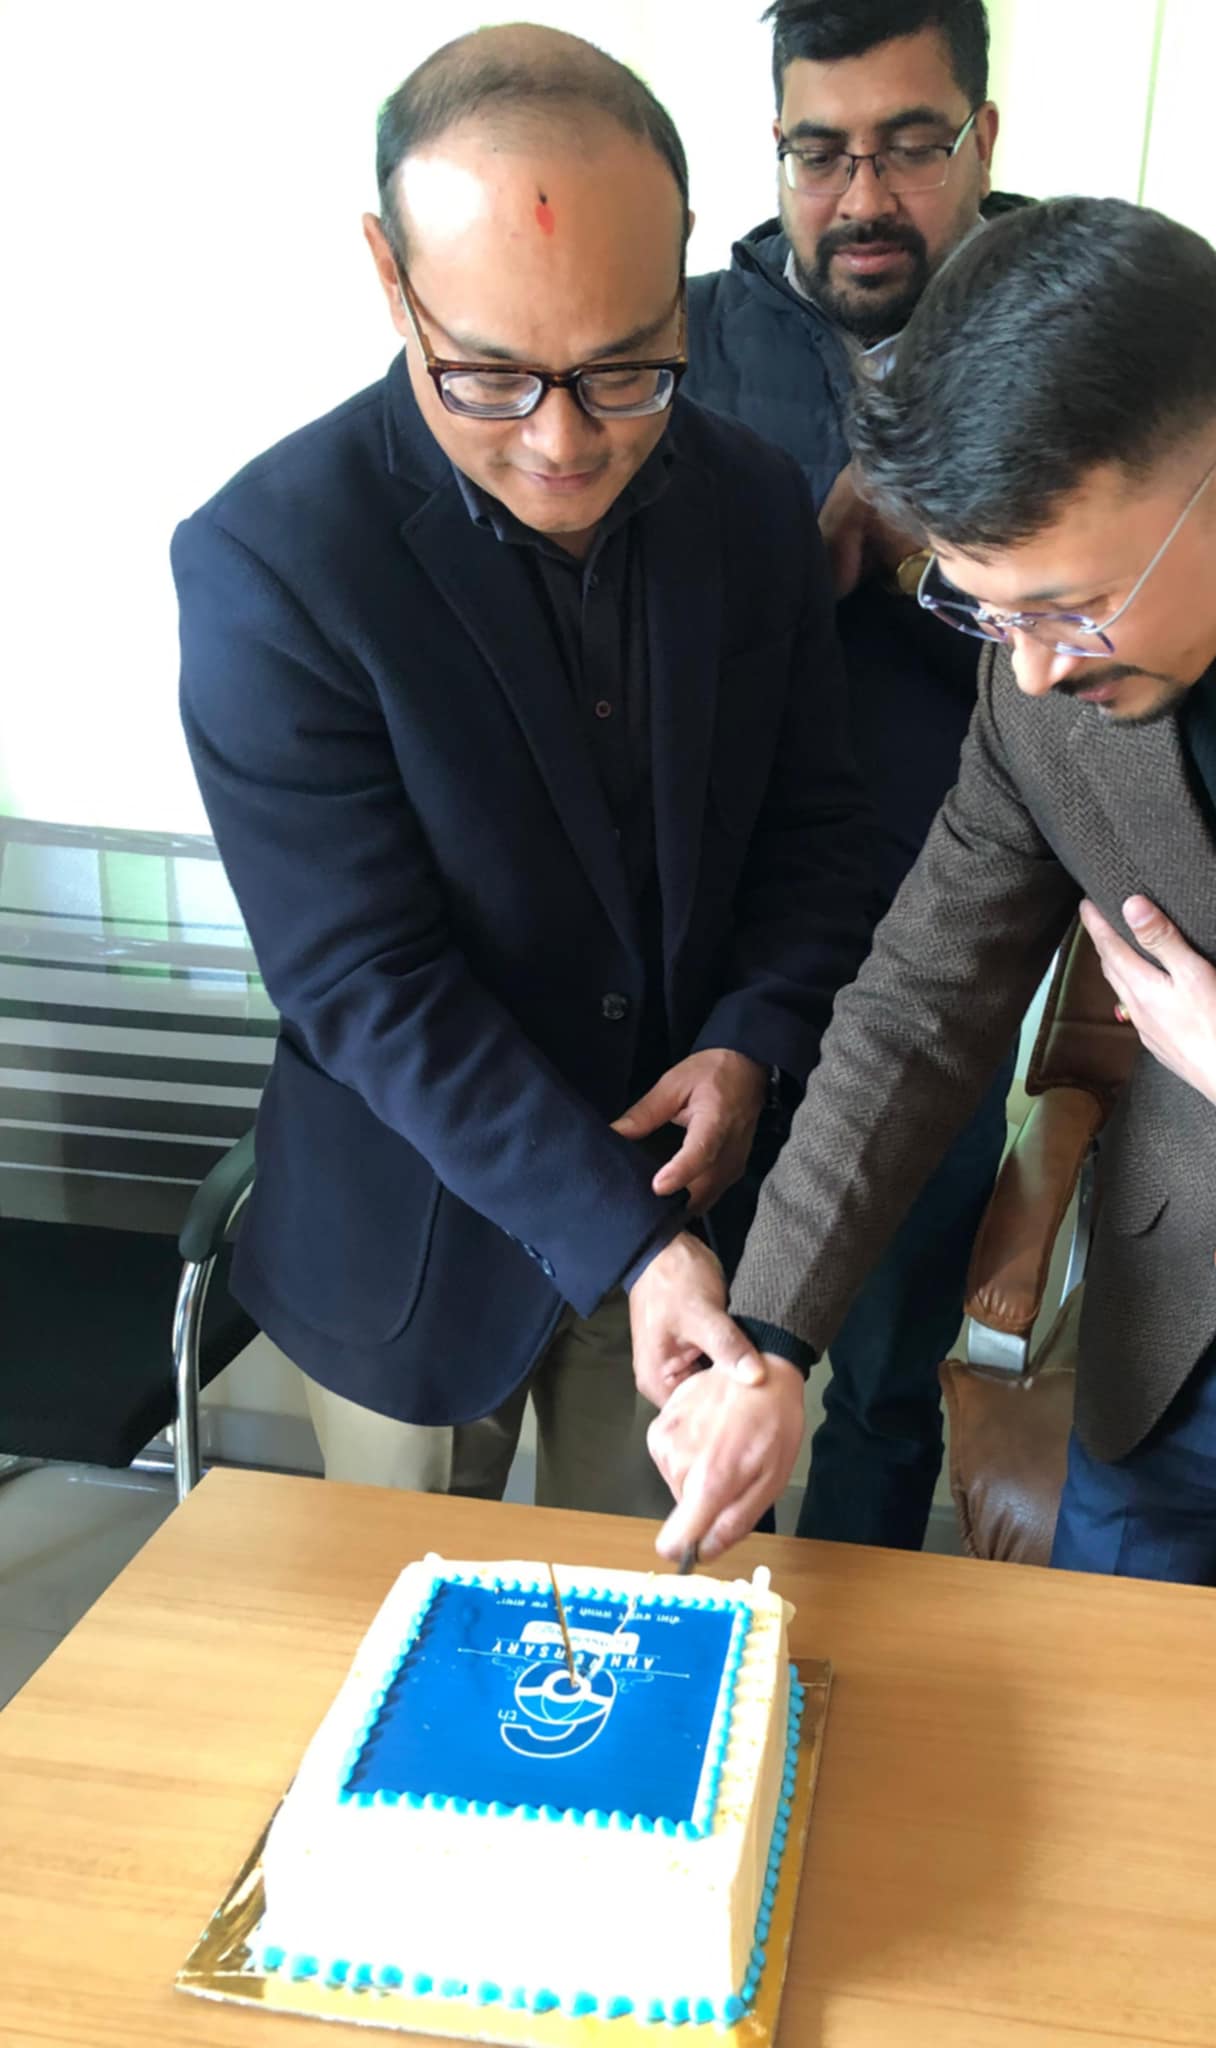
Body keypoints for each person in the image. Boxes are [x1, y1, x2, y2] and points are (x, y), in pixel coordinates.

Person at [639, 195, 1216, 1622]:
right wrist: (769, 1339)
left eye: (1071, 608)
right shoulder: (1038, 682)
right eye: (984, 611)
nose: (1034, 673)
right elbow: (920, 1004)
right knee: (1097, 1716)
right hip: (1169, 1318)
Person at [173, 25, 872, 1511]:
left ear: (681, 260)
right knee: (406, 1624)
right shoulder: (273, 561)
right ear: (390, 274)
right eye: (489, 376)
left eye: (627, 370)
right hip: (415, 1245)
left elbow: (818, 833)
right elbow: (364, 980)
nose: (564, 441)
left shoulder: (754, 505)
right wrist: (622, 1237)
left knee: (663, 1615)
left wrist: (752, 1038)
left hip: (700, 1208)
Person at [668, 0, 1030, 1549]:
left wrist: (933, 543)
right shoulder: (681, 341)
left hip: (946, 959)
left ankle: (859, 1660)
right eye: (820, 152)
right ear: (776, 147)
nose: (862, 196)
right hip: (716, 973)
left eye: (909, 145)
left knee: (885, 1383)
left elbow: (1144, 646)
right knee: (705, 1358)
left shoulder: (1077, 337)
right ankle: (700, 1646)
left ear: (983, 138)